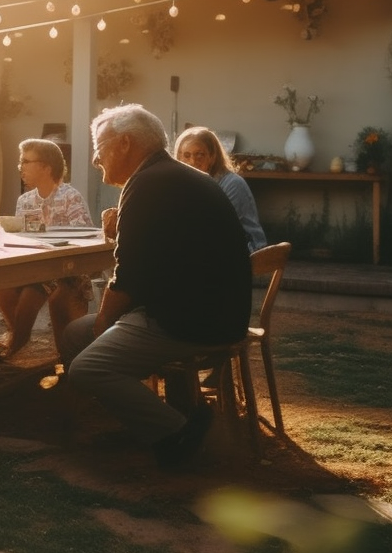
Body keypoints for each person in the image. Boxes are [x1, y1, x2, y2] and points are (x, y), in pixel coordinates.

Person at [59, 104, 252, 468]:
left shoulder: (150, 184)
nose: (96, 159)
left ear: (126, 143)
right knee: (73, 334)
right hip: (210, 312)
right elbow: (156, 257)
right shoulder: (168, 176)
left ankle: (180, 434)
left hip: (189, 321)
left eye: (99, 148)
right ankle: (140, 420)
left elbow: (129, 277)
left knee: (87, 368)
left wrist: (103, 328)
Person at [0, 138, 94, 358]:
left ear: (46, 167)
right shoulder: (25, 201)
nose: (21, 167)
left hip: (65, 268)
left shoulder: (70, 197)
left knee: (29, 296)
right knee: (3, 291)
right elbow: (20, 237)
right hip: (35, 267)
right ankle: (17, 335)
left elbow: (84, 238)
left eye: (26, 161)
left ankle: (16, 346)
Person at [174, 126, 268, 253]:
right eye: (186, 155)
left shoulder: (232, 184)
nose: (193, 161)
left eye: (200, 155)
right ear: (179, 159)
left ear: (212, 157)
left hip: (245, 252)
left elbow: (215, 230)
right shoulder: (187, 185)